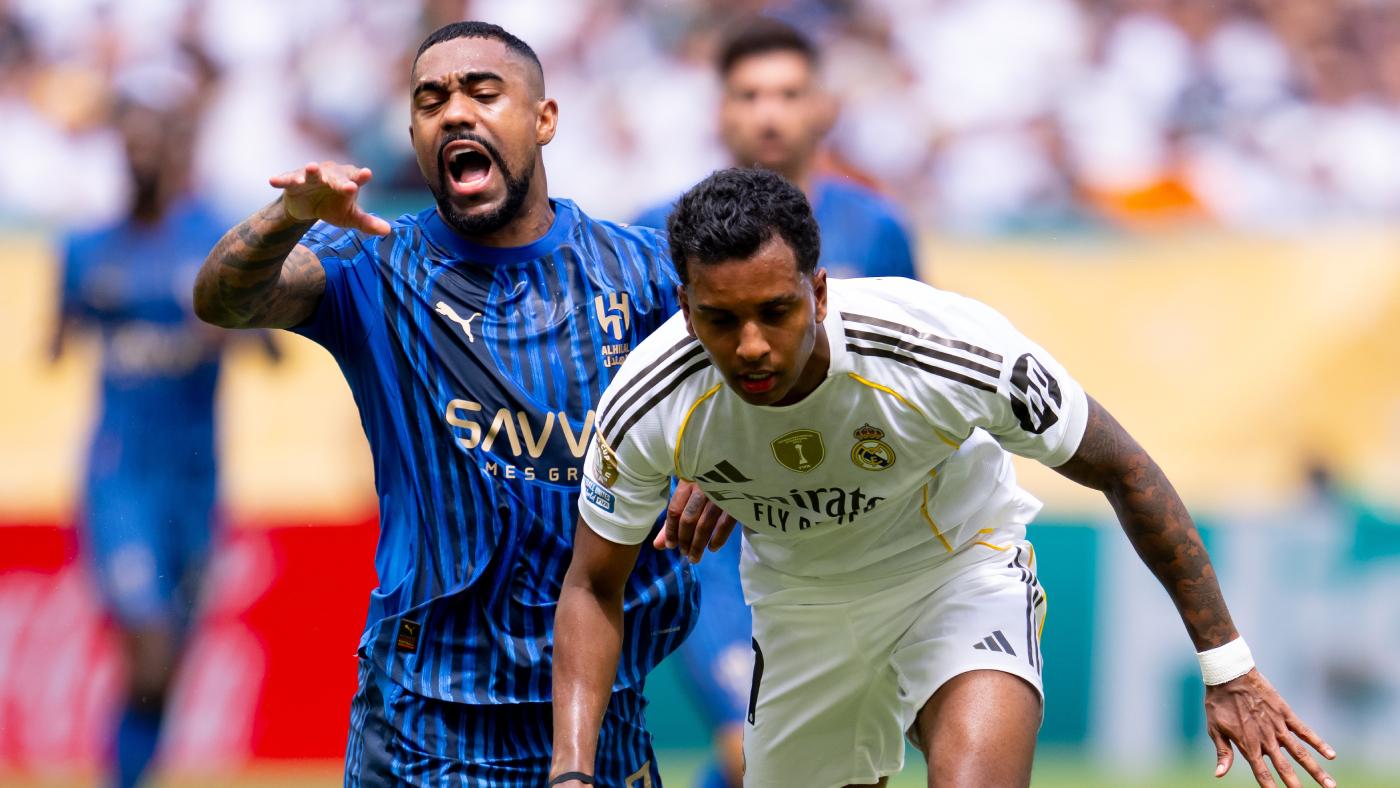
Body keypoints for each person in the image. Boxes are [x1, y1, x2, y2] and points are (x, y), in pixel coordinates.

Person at [551, 168, 1337, 788]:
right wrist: (573, 774)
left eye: (777, 312)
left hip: (956, 571)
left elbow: (1124, 469)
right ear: (686, 309)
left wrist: (1228, 667)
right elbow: (591, 584)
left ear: (819, 292)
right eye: (722, 321)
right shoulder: (648, 400)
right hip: (800, 608)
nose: (751, 345)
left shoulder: (941, 346)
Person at [192, 21, 713, 787]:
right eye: (431, 101)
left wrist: (721, 468)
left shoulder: (641, 272)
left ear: (544, 118)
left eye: (482, 92)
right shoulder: (375, 261)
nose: (455, 112)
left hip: (599, 708)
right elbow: (222, 301)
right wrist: (288, 214)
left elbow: (761, 375)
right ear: (413, 136)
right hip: (427, 719)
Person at [632, 20, 917, 787]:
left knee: (837, 762)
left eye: (789, 94)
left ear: (824, 107)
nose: (769, 114)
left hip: (839, 522)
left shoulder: (877, 228)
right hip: (715, 537)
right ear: (719, 111)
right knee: (752, 745)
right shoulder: (652, 234)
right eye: (749, 94)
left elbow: (906, 380)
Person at [52, 78, 237, 788]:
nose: (143, 159)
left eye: (154, 145)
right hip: (121, 471)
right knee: (149, 645)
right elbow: (55, 340)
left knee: (169, 665)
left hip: (196, 476)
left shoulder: (213, 244)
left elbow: (271, 345)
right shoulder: (89, 248)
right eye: (130, 146)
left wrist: (224, 328)